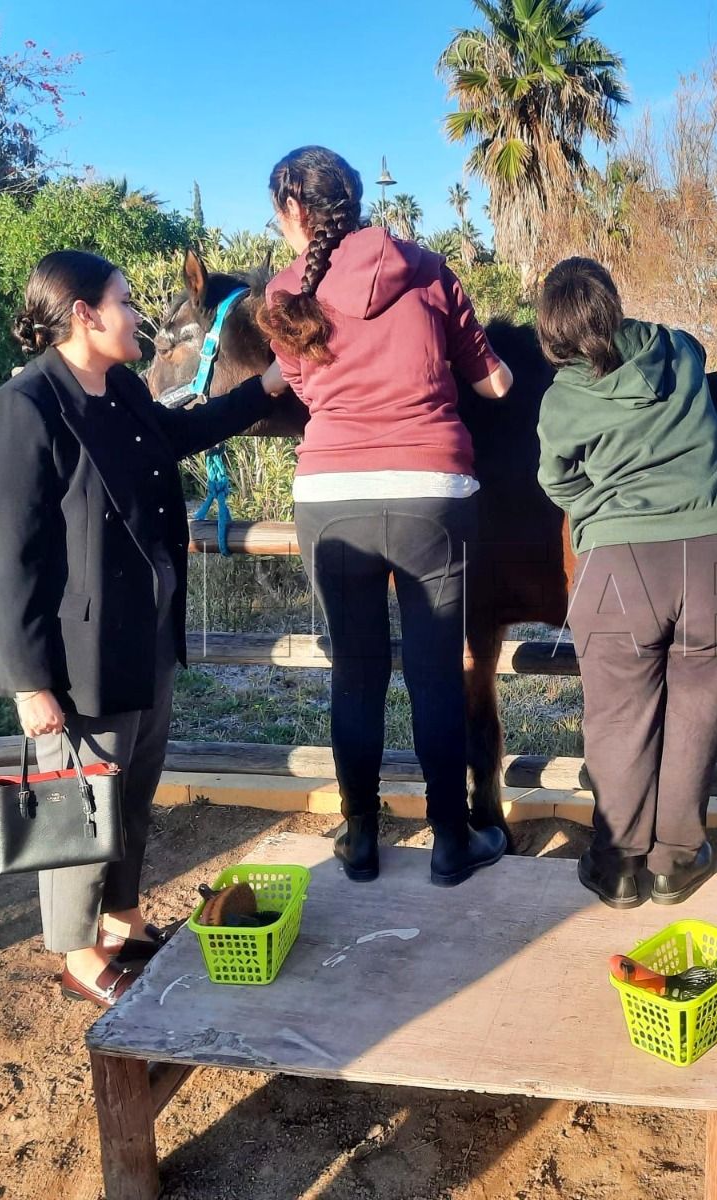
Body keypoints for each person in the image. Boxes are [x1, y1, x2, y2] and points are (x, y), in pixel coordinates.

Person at [0, 249, 292, 1006]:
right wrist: (29, 684)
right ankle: (79, 956)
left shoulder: (117, 388)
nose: (139, 317)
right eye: (124, 301)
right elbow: (13, 562)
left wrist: (267, 387)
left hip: (144, 636)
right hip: (78, 652)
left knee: (131, 792)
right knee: (79, 804)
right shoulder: (21, 410)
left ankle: (122, 919)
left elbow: (179, 433)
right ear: (84, 314)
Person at [257, 146, 515, 887]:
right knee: (436, 673)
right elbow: (495, 386)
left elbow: (297, 387)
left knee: (357, 672)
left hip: (331, 496)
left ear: (294, 210)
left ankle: (362, 839)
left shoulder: (285, 292)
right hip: (432, 490)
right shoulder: (429, 271)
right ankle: (451, 841)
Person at [534, 257, 717, 910]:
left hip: (619, 567)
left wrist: (600, 510)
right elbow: (693, 350)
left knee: (617, 717)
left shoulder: (562, 398)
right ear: (613, 303)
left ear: (552, 332)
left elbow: (555, 480)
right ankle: (675, 863)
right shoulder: (678, 350)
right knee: (699, 712)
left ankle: (617, 867)